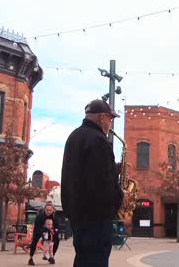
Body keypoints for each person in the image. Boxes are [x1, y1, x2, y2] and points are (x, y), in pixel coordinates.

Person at [61, 99, 123, 267]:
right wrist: (119, 198)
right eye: (111, 119)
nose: (111, 123)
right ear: (102, 117)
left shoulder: (73, 136)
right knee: (96, 260)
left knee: (82, 258)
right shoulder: (98, 140)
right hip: (96, 217)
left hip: (77, 215)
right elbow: (102, 183)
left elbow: (79, 175)